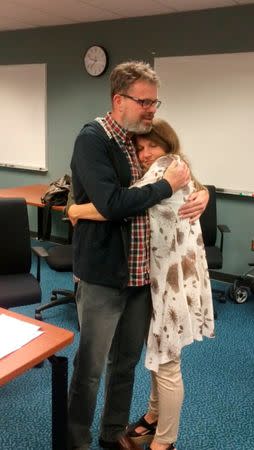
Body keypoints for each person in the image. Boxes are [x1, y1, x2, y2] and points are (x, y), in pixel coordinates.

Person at [67, 61, 209, 450]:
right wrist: (166, 187)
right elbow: (113, 203)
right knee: (90, 369)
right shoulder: (93, 139)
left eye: (154, 101)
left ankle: (112, 433)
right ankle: (76, 441)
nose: (151, 109)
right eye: (144, 101)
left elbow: (173, 174)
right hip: (102, 276)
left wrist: (201, 192)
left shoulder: (134, 140)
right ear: (119, 100)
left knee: (125, 364)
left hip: (139, 277)